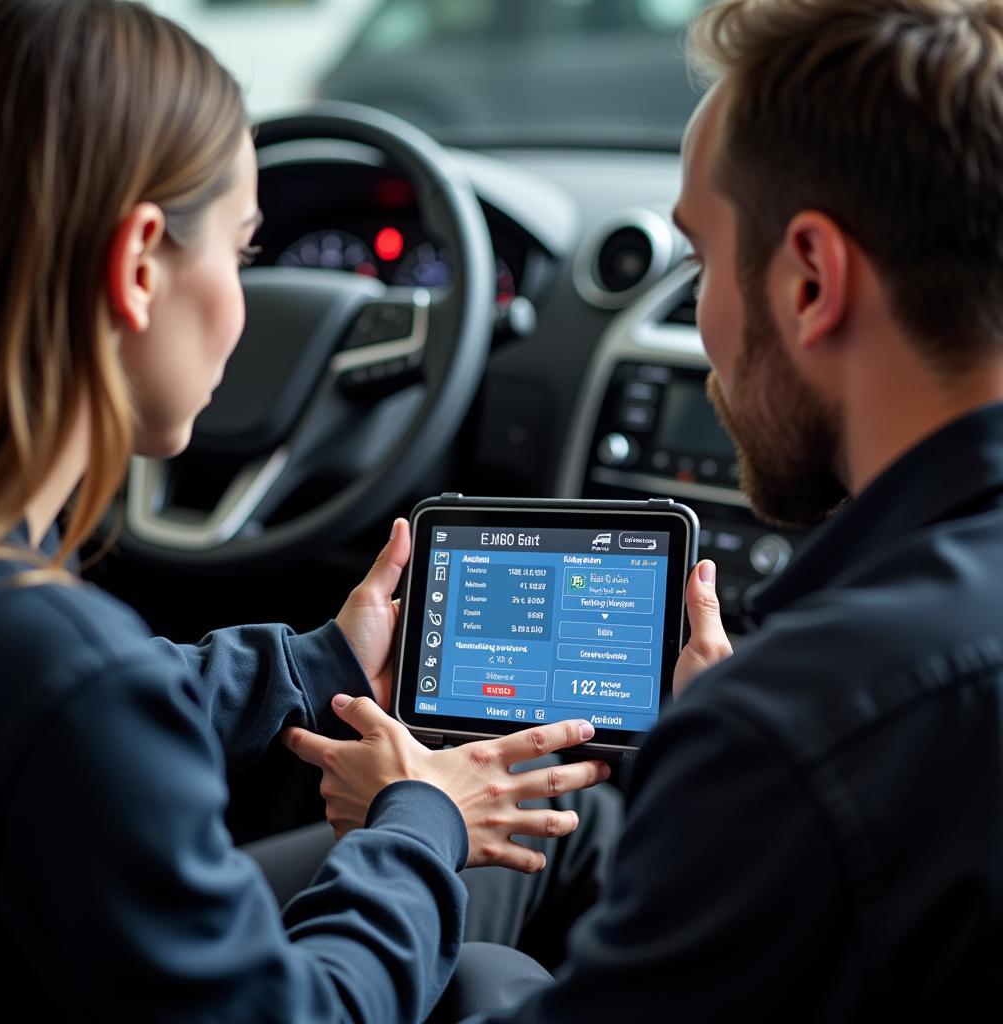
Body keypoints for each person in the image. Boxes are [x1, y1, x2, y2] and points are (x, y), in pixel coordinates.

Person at [287, 0, 1003, 1018]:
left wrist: (406, 824)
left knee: (482, 975)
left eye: (701, 259)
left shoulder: (797, 729)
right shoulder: (802, 717)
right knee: (570, 830)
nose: (697, 314)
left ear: (810, 280)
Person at [0, 1, 617, 1019]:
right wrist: (418, 821)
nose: (248, 300)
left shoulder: (29, 631)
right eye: (240, 254)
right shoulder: (64, 663)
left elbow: (73, 705)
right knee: (506, 960)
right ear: (140, 264)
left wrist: (320, 662)